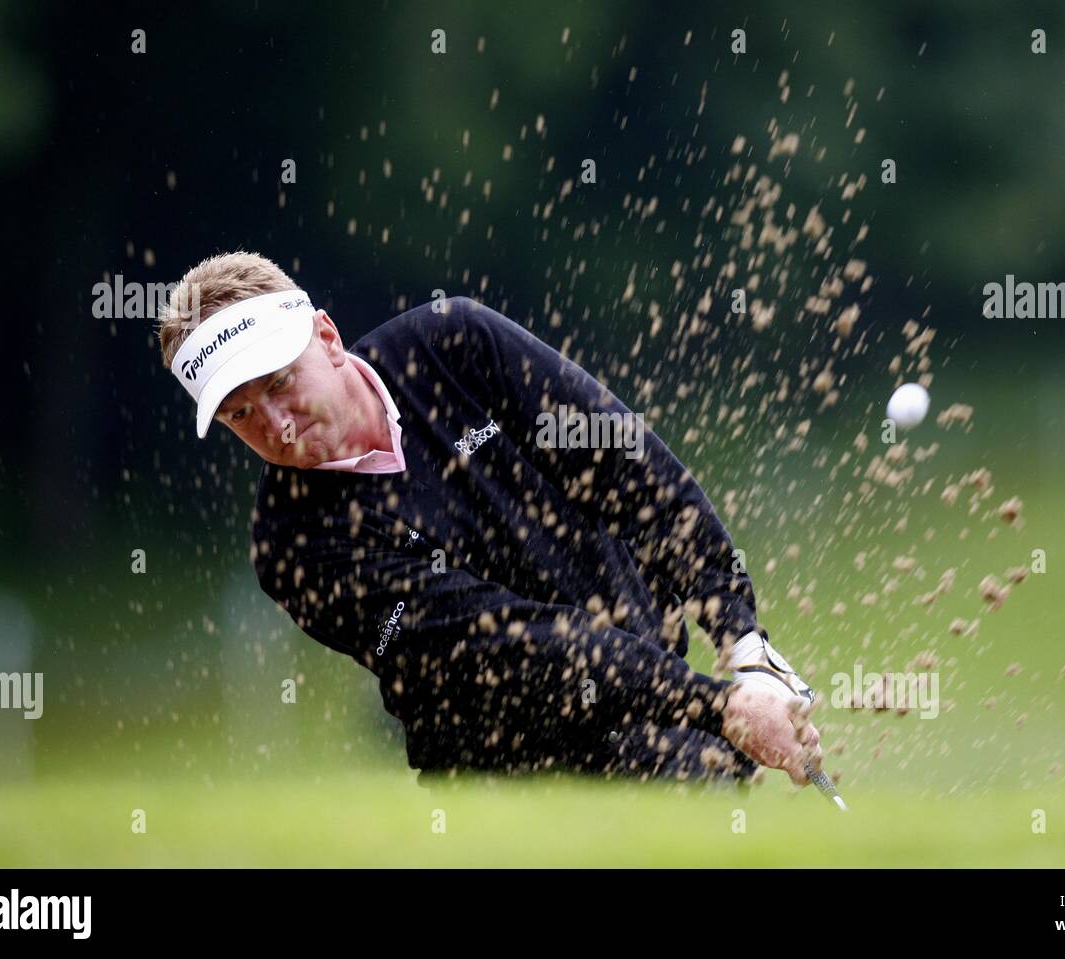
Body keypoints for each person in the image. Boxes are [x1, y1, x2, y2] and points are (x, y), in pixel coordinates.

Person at [157, 252, 825, 788]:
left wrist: (741, 640)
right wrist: (721, 705)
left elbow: (631, 470)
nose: (275, 423)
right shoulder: (296, 549)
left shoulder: (452, 343)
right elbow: (509, 641)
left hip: (662, 730)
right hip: (501, 789)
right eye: (239, 414)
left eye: (279, 382)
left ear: (326, 338)